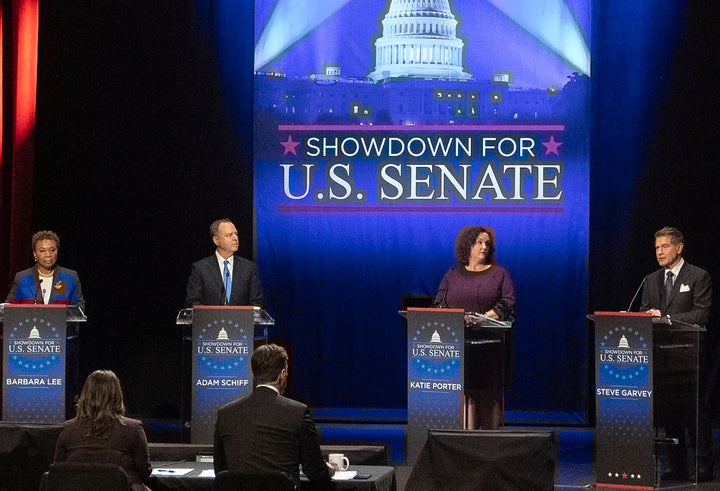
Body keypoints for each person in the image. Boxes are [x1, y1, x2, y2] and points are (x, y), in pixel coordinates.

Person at [639, 226, 713, 482]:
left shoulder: (698, 276)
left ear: (679, 247)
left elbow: (701, 314)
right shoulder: (650, 280)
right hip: (662, 357)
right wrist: (648, 316)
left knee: (693, 413)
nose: (659, 252)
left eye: (665, 247)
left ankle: (702, 464)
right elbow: (645, 310)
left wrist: (667, 318)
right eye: (657, 247)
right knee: (668, 411)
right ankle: (676, 464)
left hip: (689, 355)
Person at [214, 343, 334, 487]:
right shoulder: (298, 412)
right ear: (282, 375)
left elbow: (220, 470)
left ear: (253, 374)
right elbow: (315, 472)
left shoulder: (226, 413)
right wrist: (330, 470)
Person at [433, 225, 515, 430]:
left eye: (487, 243)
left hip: (491, 346)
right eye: (479, 242)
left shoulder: (499, 274)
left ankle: (489, 443)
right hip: (458, 345)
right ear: (467, 245)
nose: (484, 247)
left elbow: (508, 302)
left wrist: (481, 318)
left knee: (488, 400)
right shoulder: (452, 274)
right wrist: (459, 319)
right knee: (462, 398)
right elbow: (438, 304)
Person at [54, 370, 152, 491]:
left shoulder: (68, 428)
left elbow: (58, 470)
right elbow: (144, 472)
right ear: (117, 396)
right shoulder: (133, 429)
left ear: (85, 396)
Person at [185, 218, 265, 307]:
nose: (235, 238)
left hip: (241, 320)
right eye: (230, 235)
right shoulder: (200, 268)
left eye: (236, 234)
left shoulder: (249, 268)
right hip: (210, 320)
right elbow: (192, 302)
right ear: (216, 240)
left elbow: (257, 302)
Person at [5, 230, 85, 311]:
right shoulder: (22, 278)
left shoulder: (70, 277)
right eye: (42, 250)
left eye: (52, 250)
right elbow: (9, 309)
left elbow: (79, 308)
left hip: (60, 323)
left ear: (57, 252)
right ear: (35, 254)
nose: (48, 255)